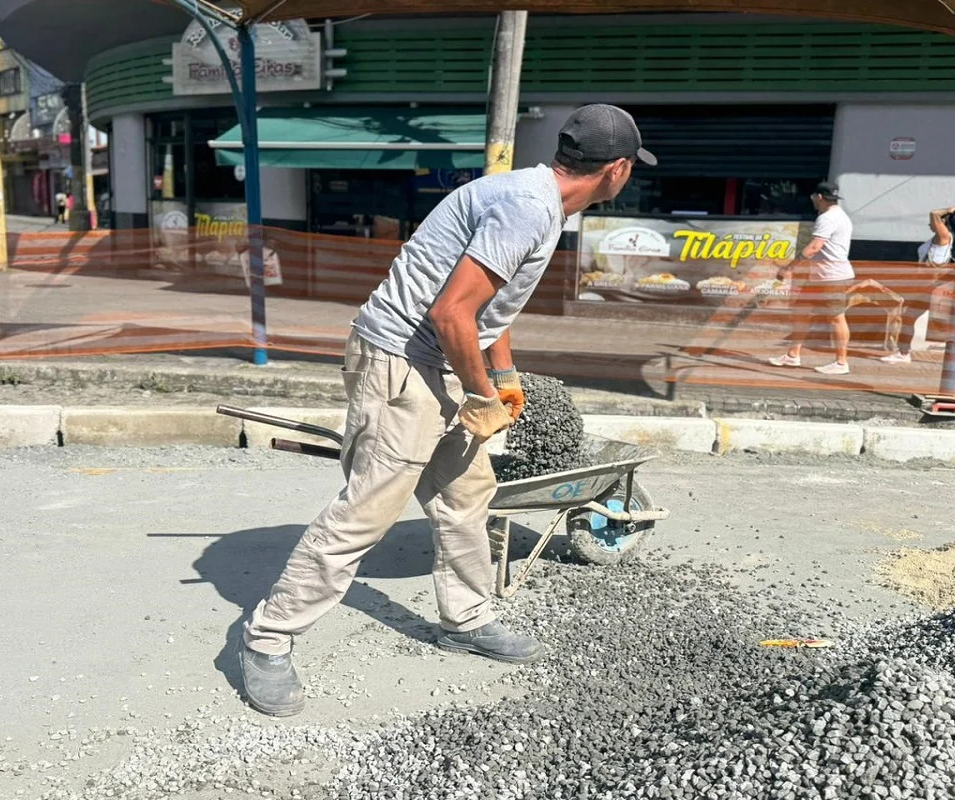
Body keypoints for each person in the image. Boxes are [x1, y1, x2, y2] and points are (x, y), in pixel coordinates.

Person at [238, 104, 655, 717]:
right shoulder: (529, 209)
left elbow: (489, 313)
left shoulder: (536, 198)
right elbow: (451, 313)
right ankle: (268, 639)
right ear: (616, 169)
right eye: (630, 169)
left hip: (440, 357)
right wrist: (483, 394)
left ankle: (467, 615)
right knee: (368, 509)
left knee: (467, 495)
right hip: (401, 361)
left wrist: (504, 375)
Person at [879, 205, 955, 367]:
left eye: (933, 223)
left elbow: (934, 214)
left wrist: (948, 210)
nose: (929, 224)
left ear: (942, 222)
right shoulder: (938, 239)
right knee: (918, 318)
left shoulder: (943, 236)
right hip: (927, 286)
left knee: (934, 321)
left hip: (935, 287)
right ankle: (904, 352)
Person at [768, 181, 855, 375]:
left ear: (819, 197)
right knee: (801, 311)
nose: (813, 200)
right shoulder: (839, 215)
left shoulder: (828, 218)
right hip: (821, 276)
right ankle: (792, 355)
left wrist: (788, 268)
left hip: (832, 277)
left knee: (835, 318)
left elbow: (814, 247)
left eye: (814, 197)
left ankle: (841, 363)